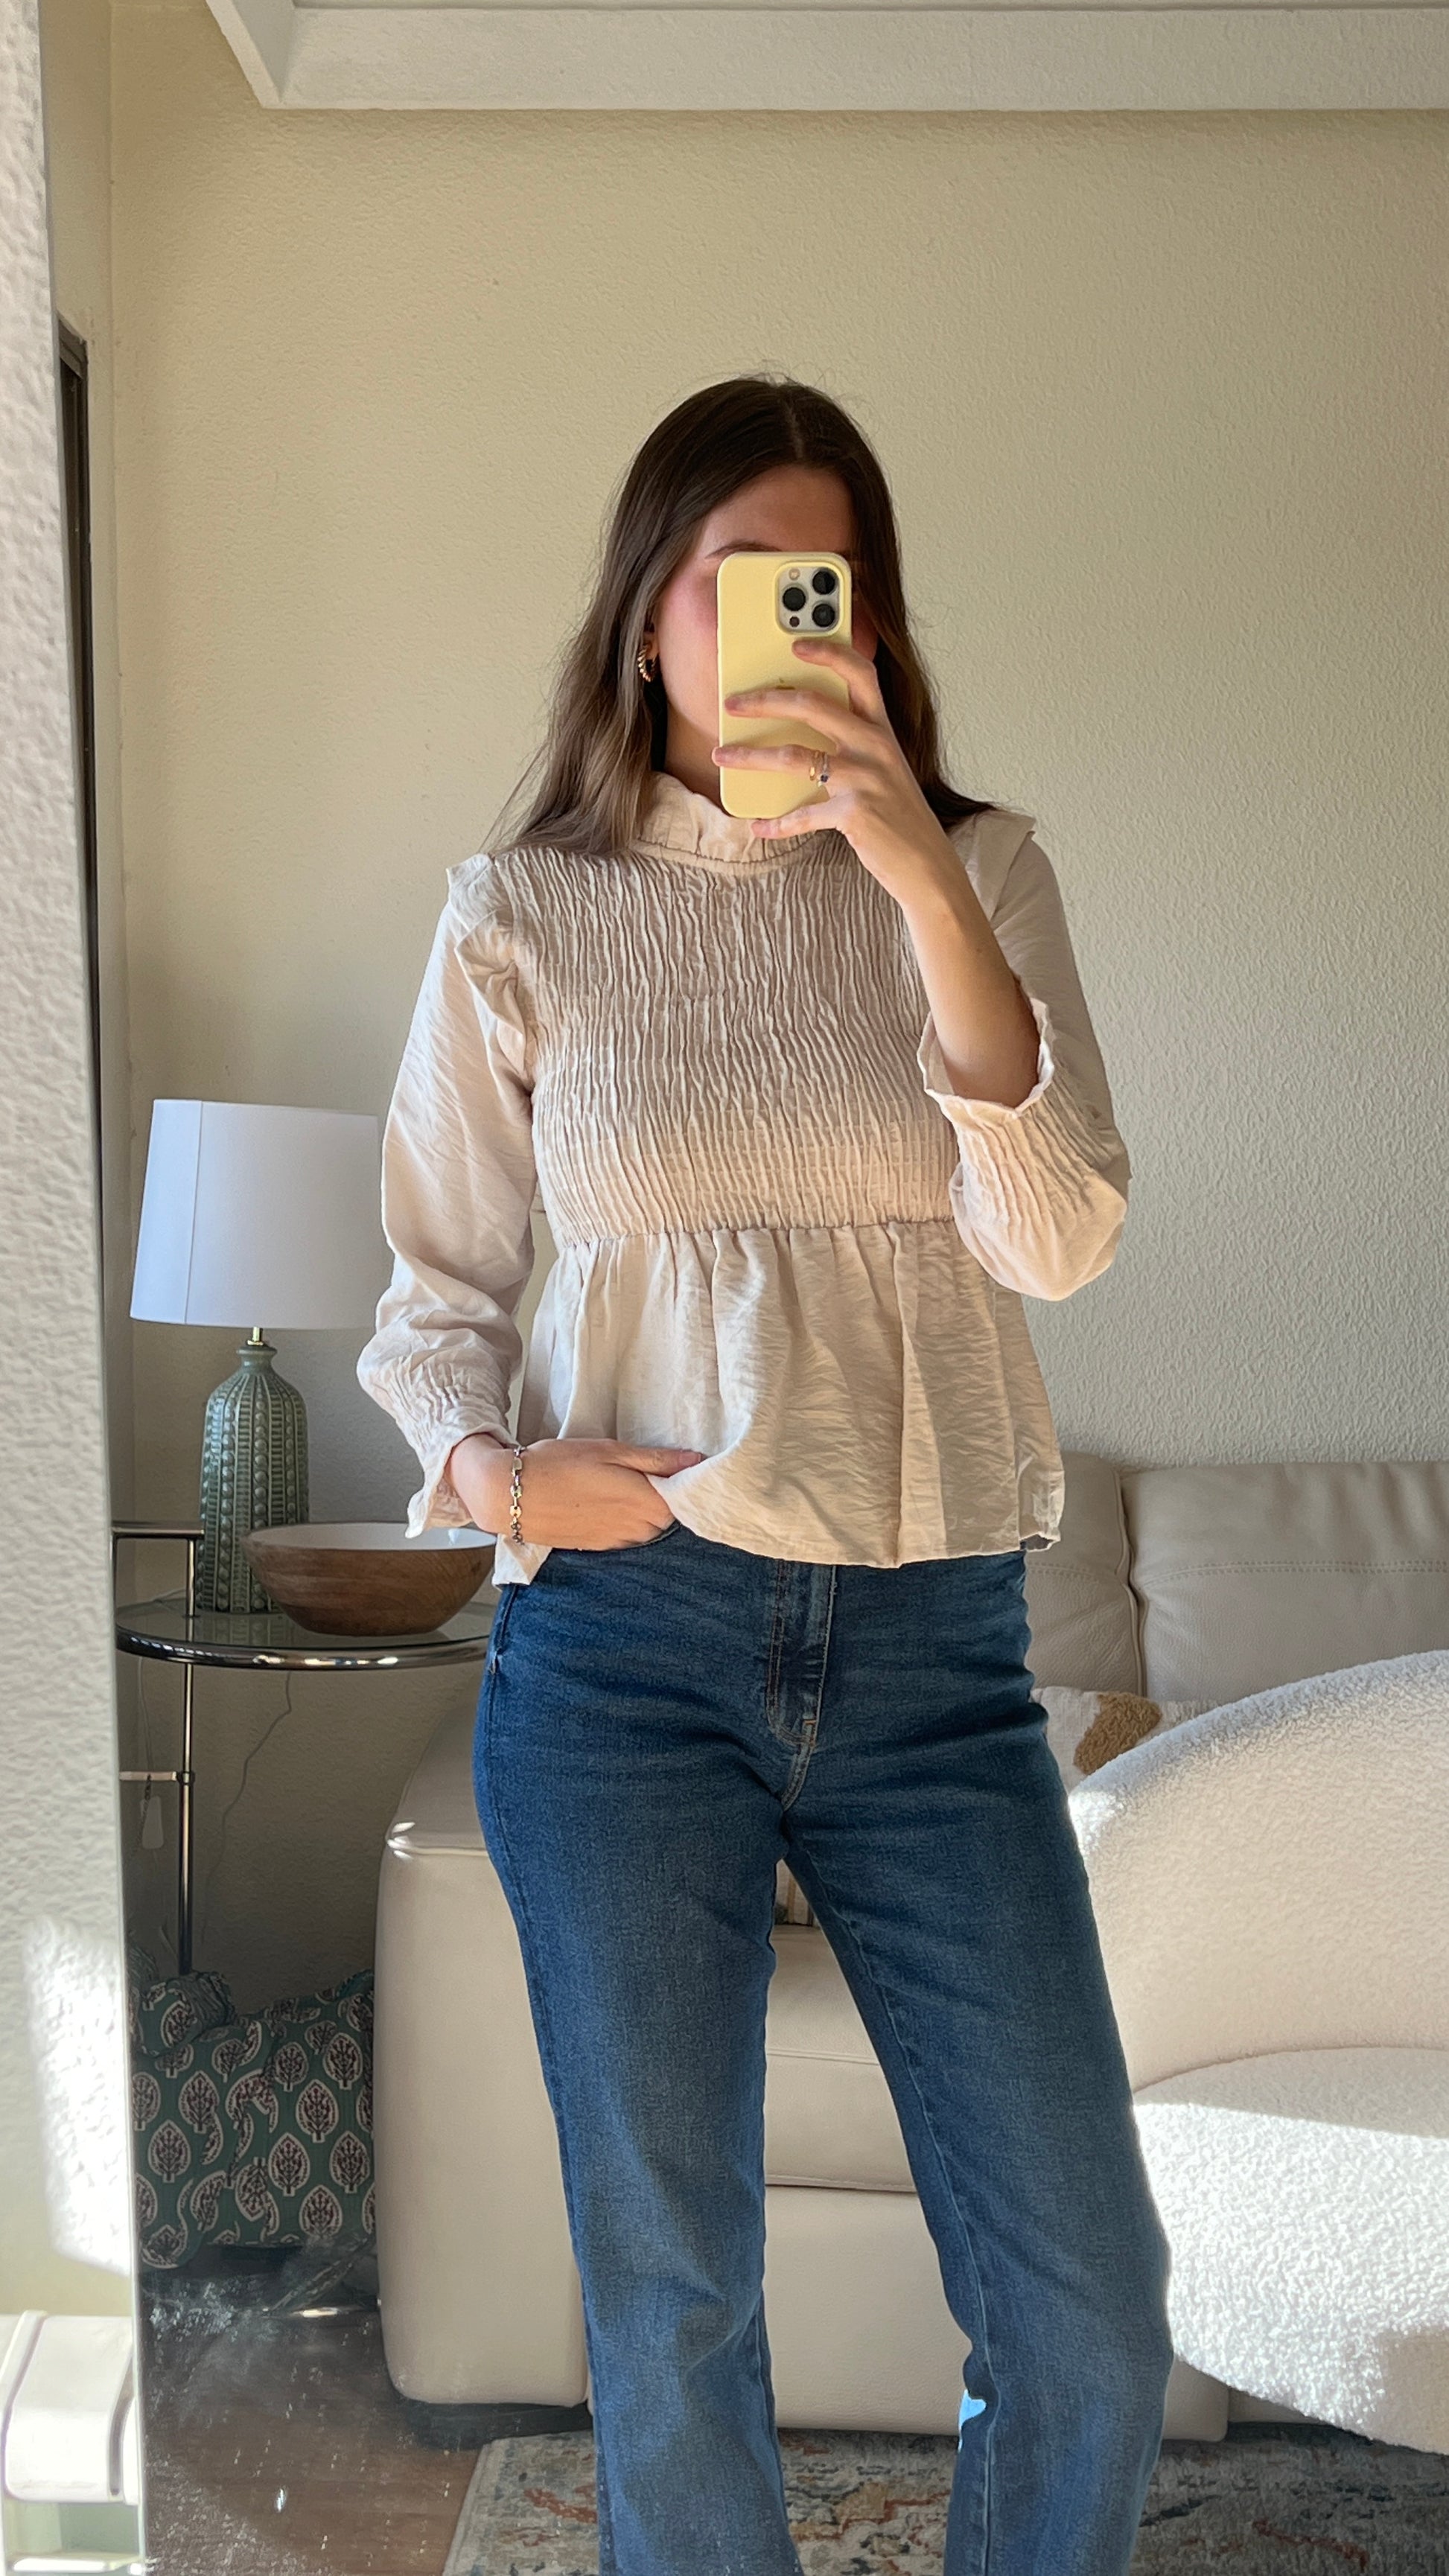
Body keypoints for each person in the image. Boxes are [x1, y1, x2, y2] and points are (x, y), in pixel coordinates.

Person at [357, 373, 1174, 2576]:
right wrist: (502, 1480)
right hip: (624, 1660)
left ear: (879, 625)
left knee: (1090, 2312)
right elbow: (435, 1290)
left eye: (834, 585)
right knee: (676, 2303)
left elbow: (1059, 1234)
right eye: (739, 579)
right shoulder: (520, 911)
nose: (789, 625)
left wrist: (913, 870)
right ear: (646, 615)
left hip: (935, 1666)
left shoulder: (985, 872)